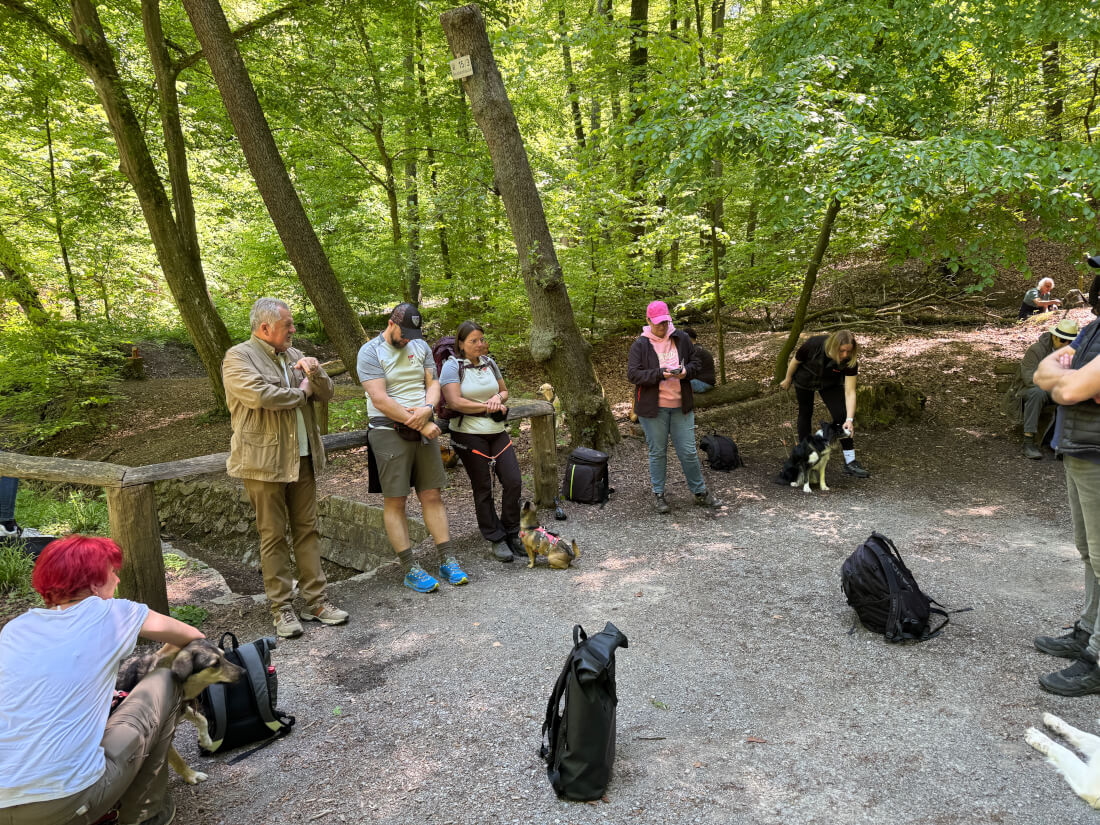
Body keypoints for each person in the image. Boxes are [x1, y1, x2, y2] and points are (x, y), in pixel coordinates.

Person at [0, 535, 204, 825]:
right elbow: (192, 636)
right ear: (95, 583)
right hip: (66, 804)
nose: (117, 580)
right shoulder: (113, 612)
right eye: (112, 572)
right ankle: (146, 814)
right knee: (165, 681)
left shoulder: (15, 630)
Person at [222, 297, 348, 639]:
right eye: (287, 325)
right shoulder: (238, 357)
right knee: (273, 535)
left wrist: (315, 373)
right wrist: (302, 391)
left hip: (303, 458)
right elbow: (263, 397)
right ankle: (281, 608)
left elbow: (328, 393)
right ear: (265, 328)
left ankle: (316, 602)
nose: (293, 330)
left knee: (308, 530)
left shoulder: (294, 356)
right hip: (262, 463)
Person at [358, 303, 469, 592]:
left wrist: (428, 407)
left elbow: (432, 384)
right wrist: (420, 422)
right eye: (404, 333)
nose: (408, 339)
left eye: (413, 334)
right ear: (391, 323)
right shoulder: (370, 352)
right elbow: (380, 400)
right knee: (396, 500)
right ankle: (409, 567)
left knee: (432, 493)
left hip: (423, 424)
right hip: (388, 430)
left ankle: (447, 559)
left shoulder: (419, 345)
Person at [1032, 318, 1100, 696]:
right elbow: (1043, 374)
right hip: (1080, 451)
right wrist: (1064, 381)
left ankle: (1097, 659)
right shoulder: (1093, 329)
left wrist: (1067, 382)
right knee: (1090, 553)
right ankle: (1088, 632)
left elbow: (1068, 389)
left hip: (1097, 456)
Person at [627, 300, 723, 514]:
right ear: (648, 321)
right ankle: (659, 495)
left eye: (665, 322)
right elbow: (633, 374)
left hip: (681, 405)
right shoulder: (640, 345)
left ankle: (700, 493)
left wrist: (684, 372)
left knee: (688, 451)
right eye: (658, 323)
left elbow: (696, 365)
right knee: (657, 452)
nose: (662, 327)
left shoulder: (682, 338)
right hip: (653, 409)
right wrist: (660, 373)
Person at [440, 321, 524, 563]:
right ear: (461, 344)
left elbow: (504, 391)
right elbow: (454, 402)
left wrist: (498, 397)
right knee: (483, 487)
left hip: (497, 431)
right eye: (473, 341)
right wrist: (487, 407)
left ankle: (512, 531)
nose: (479, 345)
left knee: (513, 480)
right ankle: (495, 537)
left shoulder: (490, 363)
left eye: (481, 340)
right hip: (468, 433)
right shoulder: (451, 367)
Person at [779, 329, 870, 478]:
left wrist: (850, 419)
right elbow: (796, 361)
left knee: (841, 414)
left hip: (830, 383)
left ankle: (850, 462)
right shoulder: (813, 344)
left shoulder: (850, 361)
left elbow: (850, 392)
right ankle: (805, 457)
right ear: (834, 346)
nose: (845, 355)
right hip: (805, 378)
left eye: (849, 351)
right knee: (805, 413)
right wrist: (788, 379)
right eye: (842, 351)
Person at [1005, 318, 1078, 459]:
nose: (1066, 344)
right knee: (1037, 393)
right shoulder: (1037, 350)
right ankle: (1028, 442)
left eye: (1070, 341)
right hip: (1027, 390)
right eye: (1063, 340)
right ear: (1054, 336)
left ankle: (1058, 442)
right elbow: (1029, 378)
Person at [683, 328, 716, 394]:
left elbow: (689, 371)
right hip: (704, 382)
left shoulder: (695, 351)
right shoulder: (698, 348)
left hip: (702, 383)